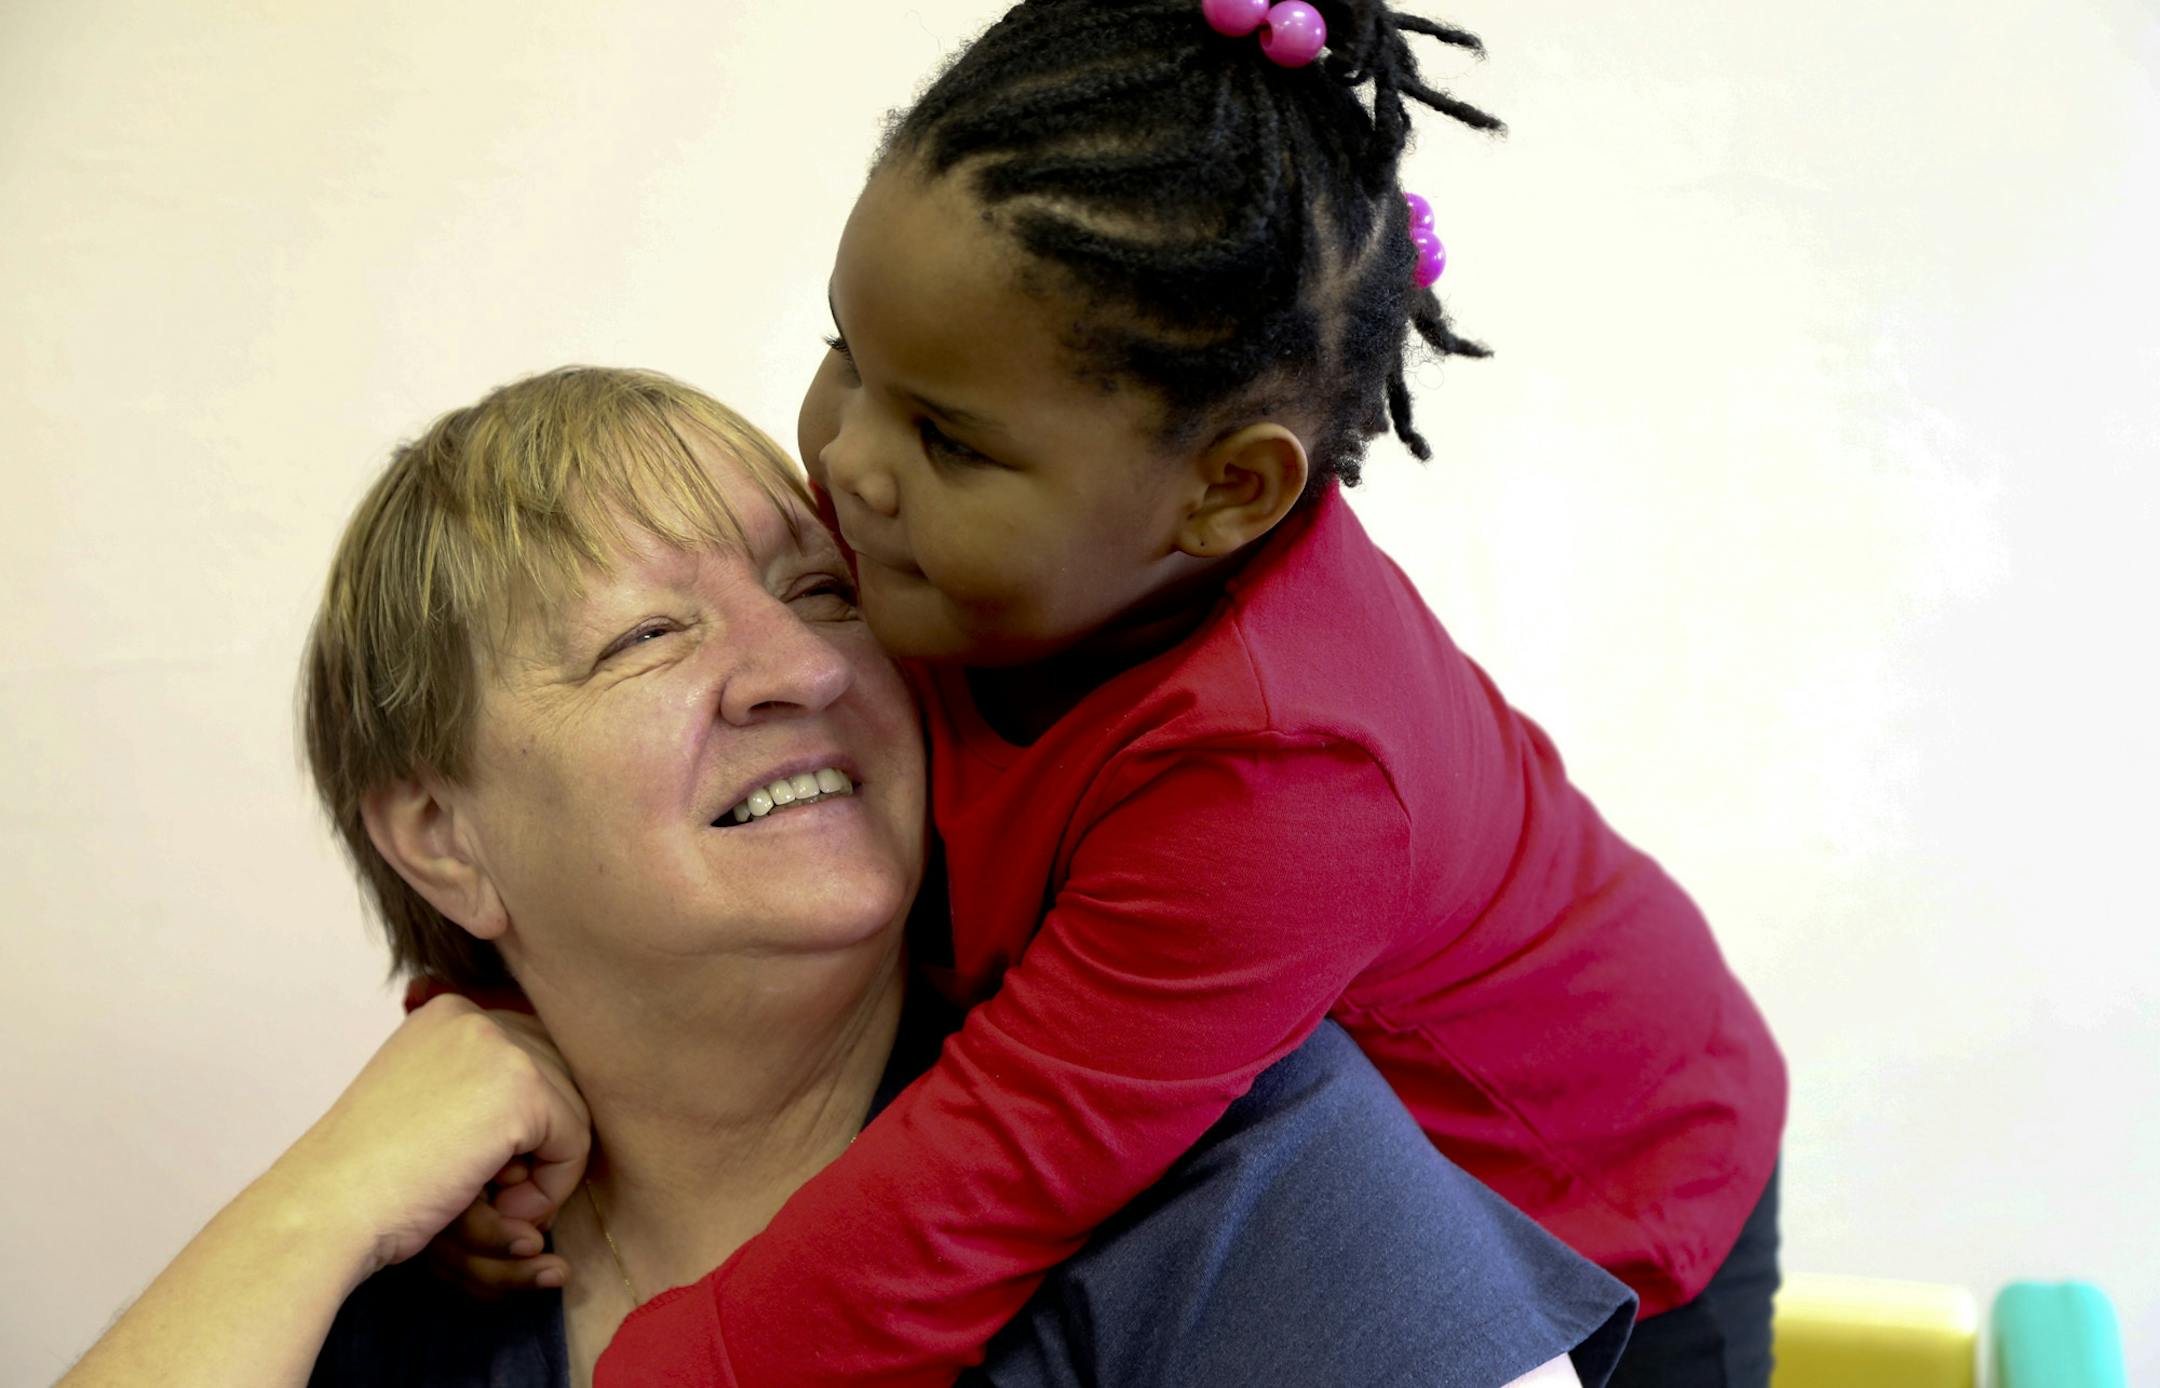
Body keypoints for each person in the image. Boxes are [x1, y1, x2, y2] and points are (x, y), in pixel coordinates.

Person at [484, 4, 1785, 1387]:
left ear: (1228, 491)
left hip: (1588, 1204)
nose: (848, 465)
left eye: (950, 439)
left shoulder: (1283, 784)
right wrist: (505, 1050)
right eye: (848, 360)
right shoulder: (943, 546)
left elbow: (979, 1189)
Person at [56, 367, 1634, 1388]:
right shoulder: (395, 1267)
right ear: (444, 839)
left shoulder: (1230, 1166)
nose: (797, 666)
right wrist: (314, 1206)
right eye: (647, 638)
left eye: (824, 590)